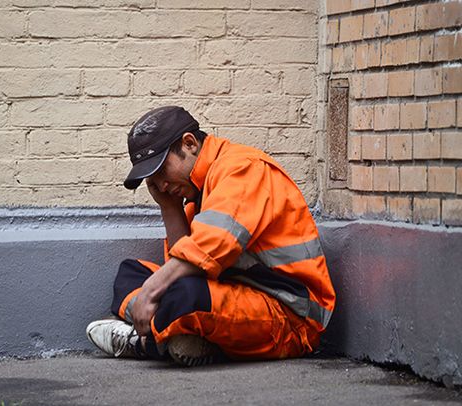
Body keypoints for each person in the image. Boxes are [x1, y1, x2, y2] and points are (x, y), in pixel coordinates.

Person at [86, 106, 336, 366]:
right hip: (235, 298)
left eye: (161, 171)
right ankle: (174, 334)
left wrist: (150, 293)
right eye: (153, 179)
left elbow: (206, 251)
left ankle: (144, 343)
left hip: (291, 318)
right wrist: (170, 208)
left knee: (183, 295)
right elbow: (184, 266)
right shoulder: (199, 190)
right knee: (131, 272)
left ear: (190, 144)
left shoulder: (242, 168)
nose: (161, 185)